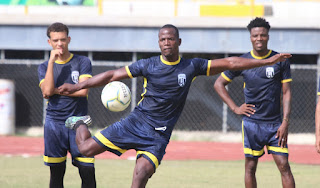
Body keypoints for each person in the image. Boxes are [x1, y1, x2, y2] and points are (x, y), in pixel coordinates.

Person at [58, 24, 291, 188]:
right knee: (85, 149)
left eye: (170, 39)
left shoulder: (192, 66)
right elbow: (111, 75)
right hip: (135, 123)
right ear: (158, 42)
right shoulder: (148, 65)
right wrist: (79, 87)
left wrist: (266, 61)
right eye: (162, 39)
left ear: (178, 41)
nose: (166, 43)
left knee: (141, 175)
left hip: (158, 135)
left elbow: (230, 62)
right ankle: (80, 121)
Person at [214, 17, 295, 188]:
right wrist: (235, 108)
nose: (259, 39)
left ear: (268, 36)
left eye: (263, 35)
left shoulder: (280, 59)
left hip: (275, 124)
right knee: (250, 167)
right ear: (250, 37)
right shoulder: (243, 62)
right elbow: (218, 83)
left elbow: (286, 93)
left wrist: (285, 122)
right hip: (252, 124)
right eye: (255, 35)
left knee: (284, 165)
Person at [38, 22, 96, 188]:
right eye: (55, 40)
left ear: (69, 39)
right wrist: (51, 62)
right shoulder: (43, 67)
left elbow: (83, 91)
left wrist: (56, 90)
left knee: (87, 171)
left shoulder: (82, 62)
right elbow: (47, 92)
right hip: (54, 125)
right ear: (49, 42)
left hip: (79, 124)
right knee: (56, 174)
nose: (59, 44)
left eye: (63, 39)